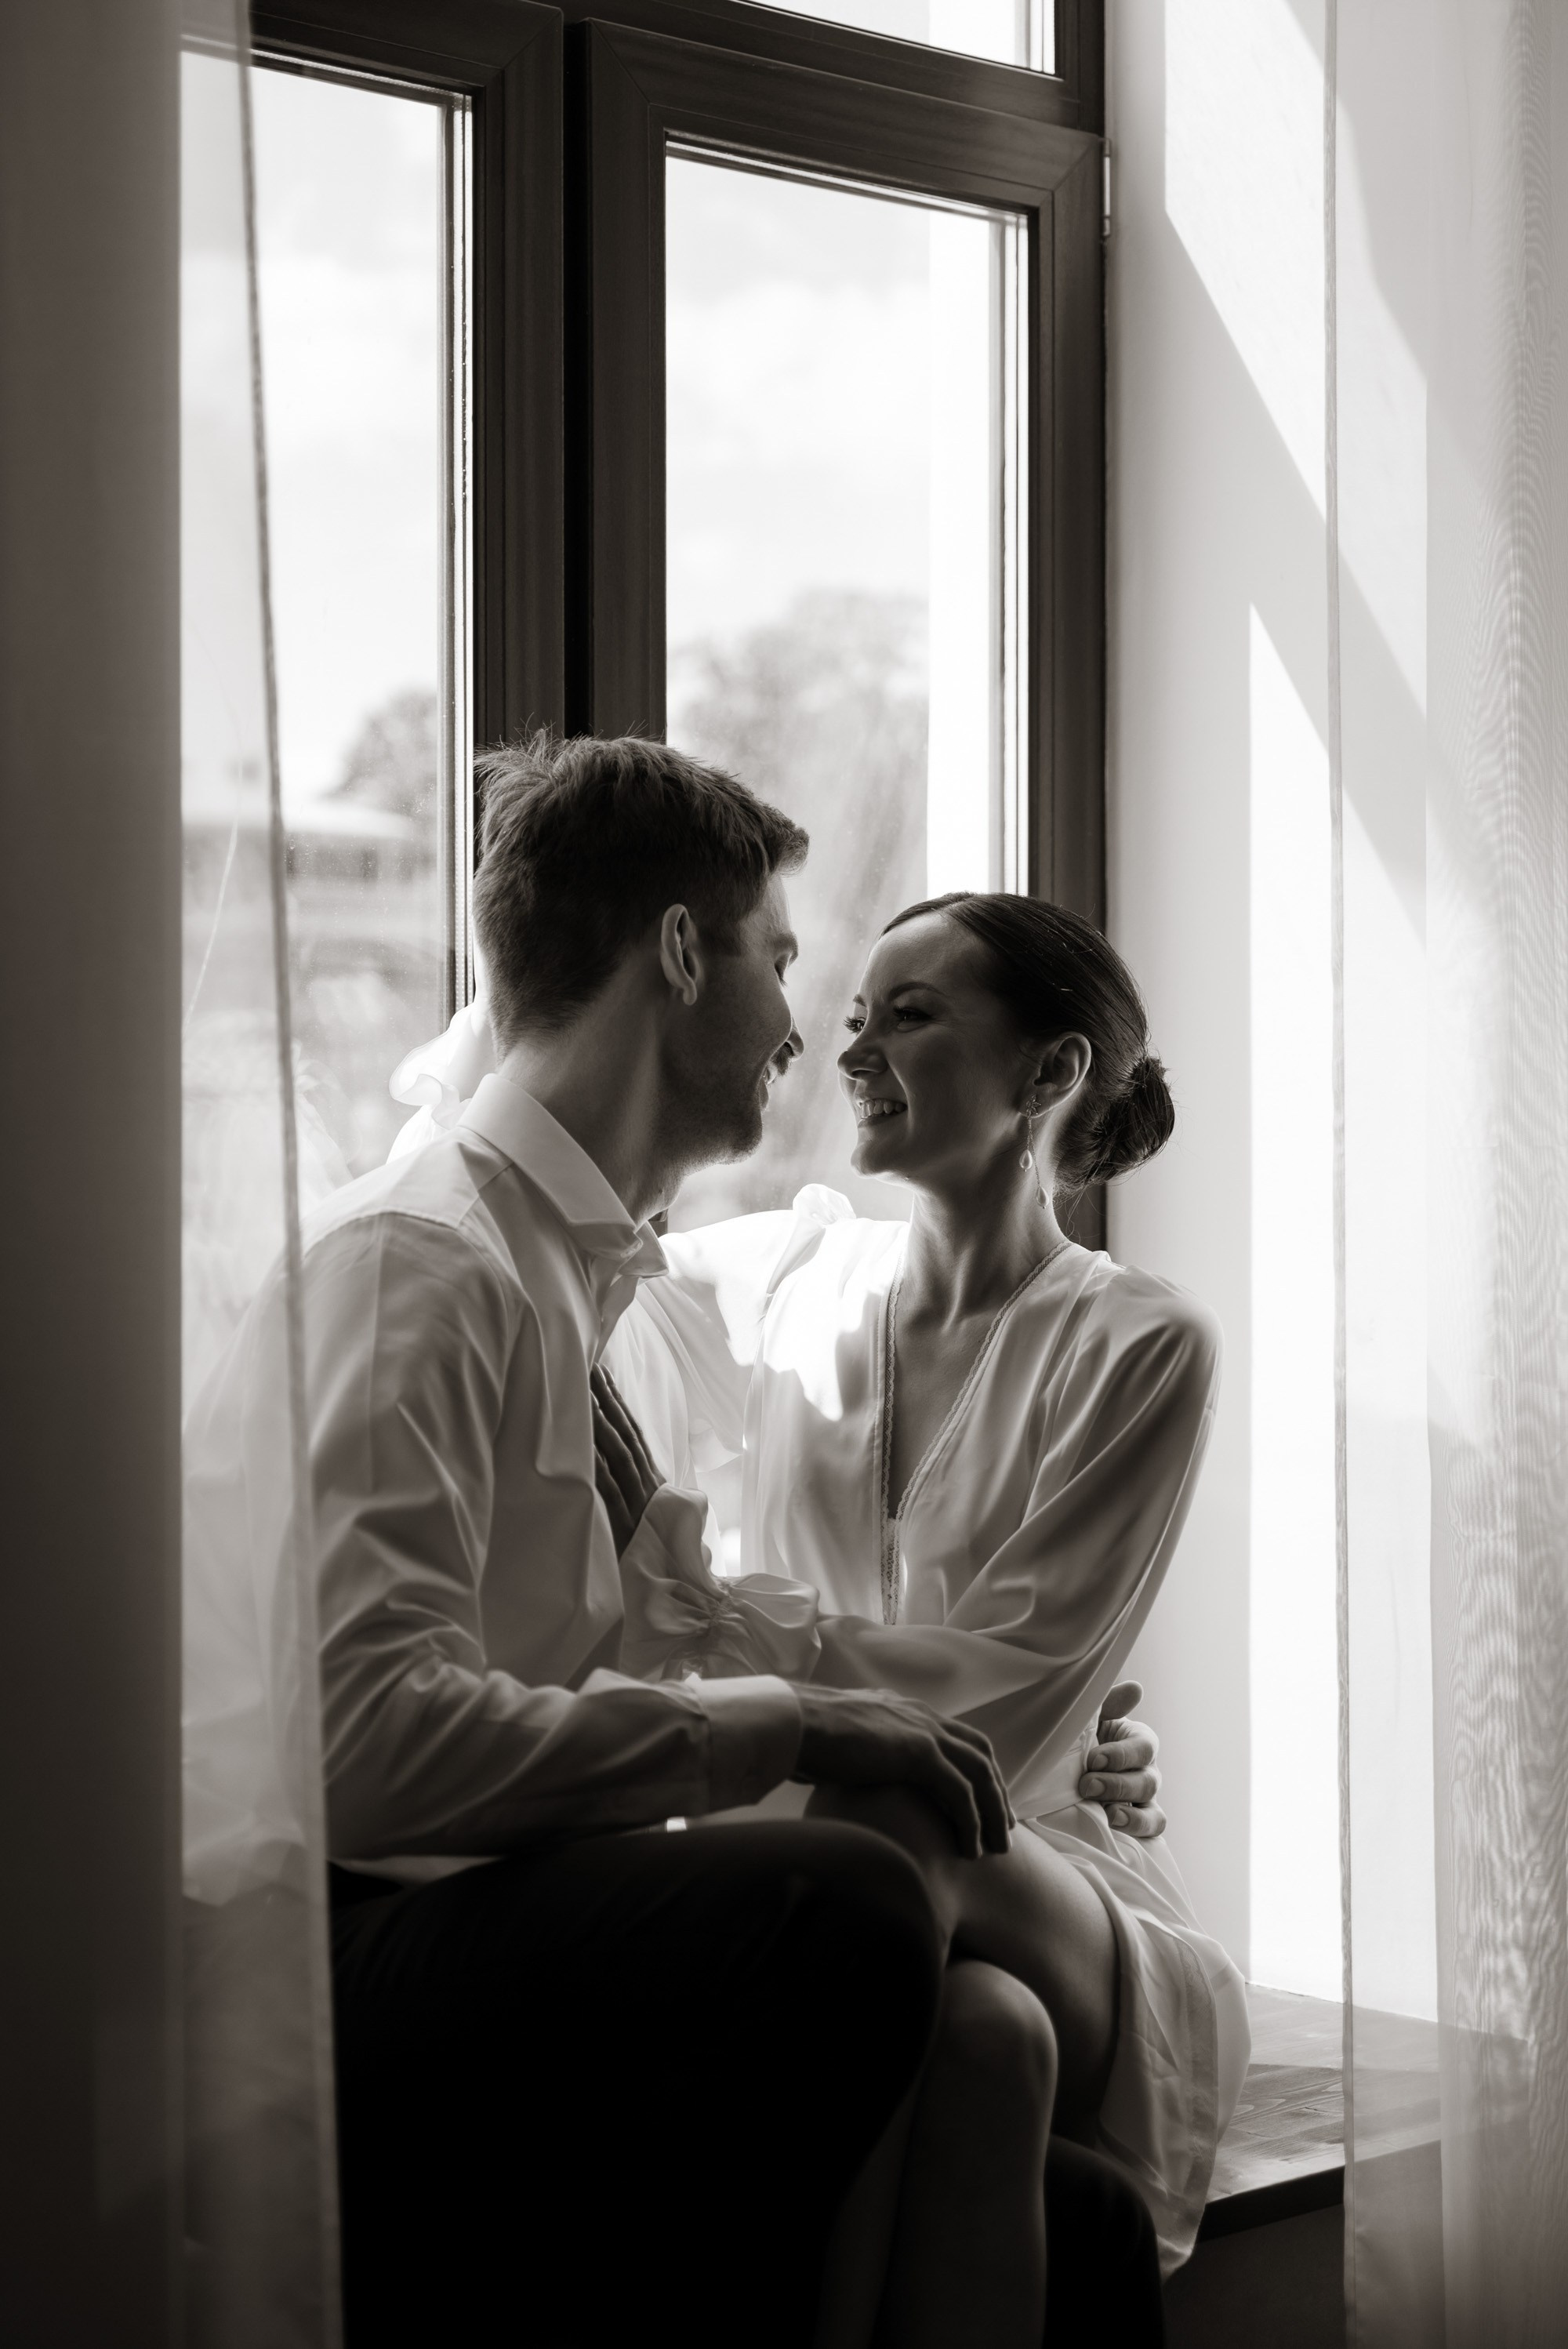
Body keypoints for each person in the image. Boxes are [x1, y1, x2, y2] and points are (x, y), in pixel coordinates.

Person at [183, 734, 1161, 2349]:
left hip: (456, 1899)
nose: (802, 1025)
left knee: (1050, 2140)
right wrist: (788, 1725)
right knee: (840, 1908)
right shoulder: (417, 1267)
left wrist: (896, 1719)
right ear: (682, 953)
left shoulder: (580, 1281)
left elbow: (635, 1646)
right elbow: (357, 1744)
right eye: (781, 960)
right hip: (301, 1954)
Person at [590, 891, 1250, 2329]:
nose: (853, 1050)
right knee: (981, 2037)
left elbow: (1014, 1684)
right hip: (847, 1857)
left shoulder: (1143, 1343)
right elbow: (568, 1253)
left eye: (912, 1013)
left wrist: (752, 1661)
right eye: (850, 1018)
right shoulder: (783, 1272)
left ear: (1052, 1074)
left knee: (899, 1825)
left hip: (1049, 1873)